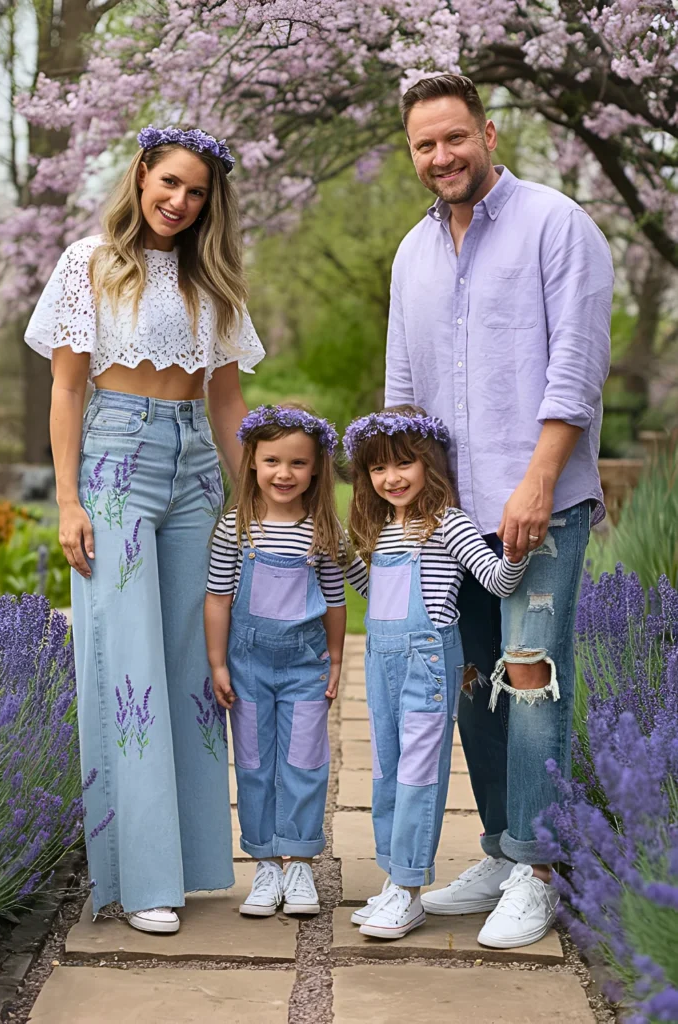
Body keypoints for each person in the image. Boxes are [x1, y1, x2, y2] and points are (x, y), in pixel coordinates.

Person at [385, 74, 613, 948]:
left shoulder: (556, 223)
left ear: (486, 131)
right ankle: (497, 847)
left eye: (453, 138)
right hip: (448, 514)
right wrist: (404, 499)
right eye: (423, 145)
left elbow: (576, 367)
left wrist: (536, 482)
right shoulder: (411, 254)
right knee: (472, 682)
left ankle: (540, 866)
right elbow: (402, 389)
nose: (440, 157)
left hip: (538, 504)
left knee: (530, 676)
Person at [24, 125, 265, 934]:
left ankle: (195, 862)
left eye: (196, 192)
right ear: (141, 176)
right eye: (169, 183)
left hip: (195, 461)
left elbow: (227, 401)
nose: (179, 202)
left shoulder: (214, 279)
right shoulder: (87, 262)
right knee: (126, 663)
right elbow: (66, 391)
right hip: (115, 459)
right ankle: (141, 877)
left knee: (192, 661)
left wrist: (255, 501)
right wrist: (67, 499)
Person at [343, 407, 528, 940]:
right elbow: (374, 596)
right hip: (380, 662)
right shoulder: (381, 525)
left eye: (404, 464)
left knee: (419, 773)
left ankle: (409, 889)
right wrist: (342, 559)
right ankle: (392, 879)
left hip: (429, 663)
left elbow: (493, 579)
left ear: (429, 463)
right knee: (385, 767)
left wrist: (514, 552)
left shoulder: (447, 521)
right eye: (378, 469)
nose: (391, 478)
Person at [205, 404, 347, 917]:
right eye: (271, 461)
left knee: (306, 761)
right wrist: (218, 665)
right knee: (256, 763)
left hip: (306, 667)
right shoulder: (234, 530)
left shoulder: (322, 532)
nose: (283, 474)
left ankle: (302, 860)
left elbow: (335, 600)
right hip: (247, 670)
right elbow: (218, 598)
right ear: (252, 464)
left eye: (297, 463)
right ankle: (265, 861)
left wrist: (334, 660)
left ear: (315, 470)